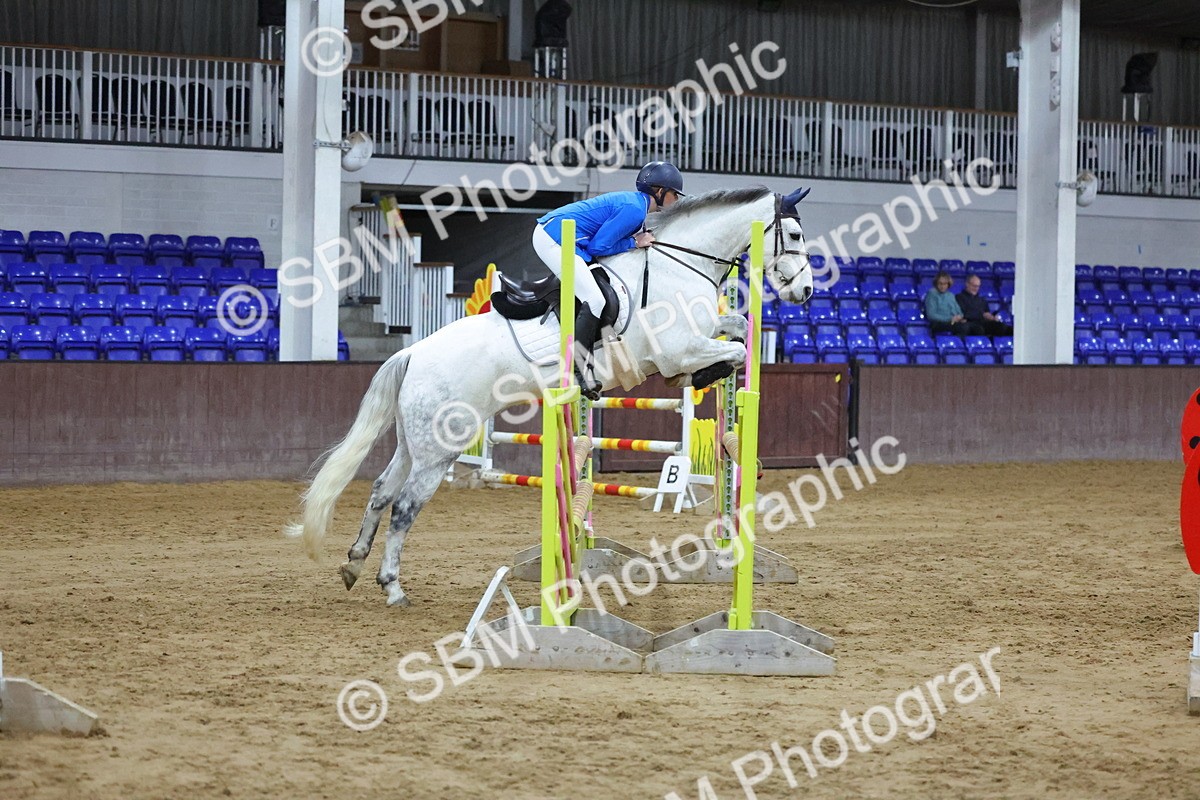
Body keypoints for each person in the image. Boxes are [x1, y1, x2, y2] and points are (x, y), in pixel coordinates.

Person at [532, 161, 685, 397]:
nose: (676, 199)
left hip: (566, 237)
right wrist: (635, 242)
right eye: (674, 193)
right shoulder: (635, 209)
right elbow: (599, 246)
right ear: (659, 190)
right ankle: (579, 368)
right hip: (553, 238)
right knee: (594, 299)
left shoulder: (638, 207)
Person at [923, 271, 981, 337]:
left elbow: (959, 312)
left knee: (977, 328)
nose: (942, 286)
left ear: (948, 284)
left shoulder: (950, 295)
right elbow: (931, 315)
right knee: (962, 327)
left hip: (953, 322)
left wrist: (959, 317)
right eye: (940, 284)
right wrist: (950, 319)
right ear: (936, 284)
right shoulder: (932, 294)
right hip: (938, 323)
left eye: (945, 284)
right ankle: (958, 345)